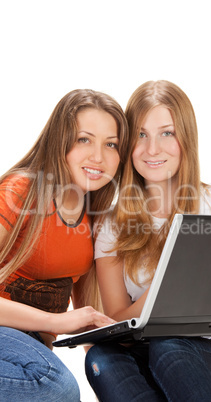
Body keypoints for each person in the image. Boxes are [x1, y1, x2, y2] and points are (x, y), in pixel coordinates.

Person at [85, 80, 211, 402]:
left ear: (186, 138)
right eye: (141, 134)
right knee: (101, 358)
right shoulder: (111, 224)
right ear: (128, 145)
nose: (152, 149)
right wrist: (171, 281)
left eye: (166, 133)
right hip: (144, 353)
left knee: (170, 346)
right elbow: (118, 321)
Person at [0, 88, 129, 401]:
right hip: (11, 339)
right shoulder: (22, 191)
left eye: (110, 144)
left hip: (28, 351)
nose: (98, 156)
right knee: (55, 386)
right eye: (84, 139)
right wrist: (55, 322)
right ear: (60, 141)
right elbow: (65, 322)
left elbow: (87, 319)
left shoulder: (94, 219)